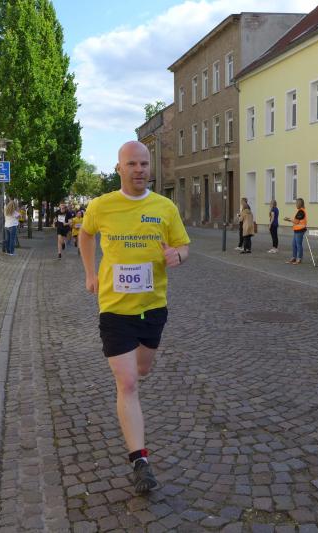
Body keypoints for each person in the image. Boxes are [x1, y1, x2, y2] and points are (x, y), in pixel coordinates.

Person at [78, 141, 190, 494]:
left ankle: (140, 366)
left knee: (142, 369)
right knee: (127, 383)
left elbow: (183, 245)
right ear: (119, 168)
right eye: (132, 164)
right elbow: (85, 234)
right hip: (114, 308)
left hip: (153, 307)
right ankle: (140, 462)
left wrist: (178, 255)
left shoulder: (165, 207)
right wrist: (90, 273)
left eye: (144, 163)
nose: (139, 169)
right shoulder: (101, 206)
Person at [284, 198, 307, 265]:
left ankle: (299, 258)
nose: (296, 204)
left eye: (297, 203)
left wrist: (289, 220)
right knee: (294, 244)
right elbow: (296, 220)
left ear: (300, 204)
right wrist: (290, 220)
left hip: (300, 230)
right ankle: (294, 257)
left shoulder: (301, 211)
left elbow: (296, 221)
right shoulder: (299, 211)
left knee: (298, 244)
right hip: (297, 230)